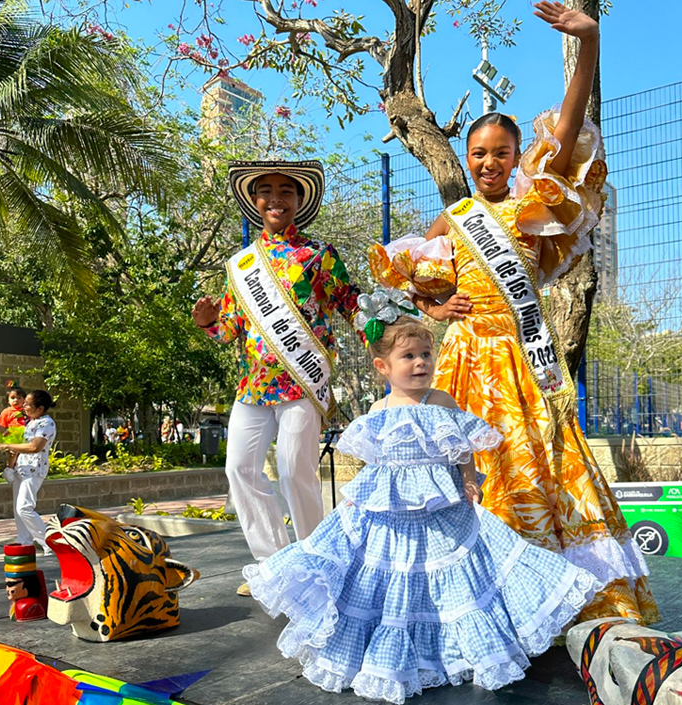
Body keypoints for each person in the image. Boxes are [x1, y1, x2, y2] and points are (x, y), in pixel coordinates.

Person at [385, 2, 657, 624]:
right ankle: (469, 601)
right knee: (463, 475)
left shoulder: (535, 203)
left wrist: (586, 45)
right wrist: (432, 302)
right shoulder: (452, 221)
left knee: (543, 467)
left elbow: (565, 129)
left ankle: (548, 597)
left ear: (515, 155)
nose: (486, 163)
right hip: (462, 364)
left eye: (500, 152)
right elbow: (413, 284)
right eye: (477, 153)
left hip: (525, 361)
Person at [243, 295, 602, 703]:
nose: (420, 363)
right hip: (392, 519)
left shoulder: (442, 402)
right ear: (383, 367)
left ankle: (455, 653)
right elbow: (373, 464)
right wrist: (359, 502)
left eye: (426, 354)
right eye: (409, 356)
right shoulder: (378, 410)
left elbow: (463, 449)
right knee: (391, 583)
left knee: (452, 582)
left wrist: (469, 481)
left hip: (442, 515)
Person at [192, 159, 361, 597]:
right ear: (254, 200)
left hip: (302, 383)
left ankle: (316, 562)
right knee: (240, 469)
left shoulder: (319, 254)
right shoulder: (241, 264)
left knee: (294, 470)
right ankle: (275, 565)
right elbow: (230, 330)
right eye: (265, 191)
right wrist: (210, 322)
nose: (275, 199)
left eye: (286, 191)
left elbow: (349, 303)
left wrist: (383, 330)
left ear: (299, 200)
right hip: (253, 386)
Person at [0, 389, 58, 556]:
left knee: (24, 507)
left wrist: (5, 446)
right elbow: (22, 445)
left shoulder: (46, 423)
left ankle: (50, 542)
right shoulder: (32, 422)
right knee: (18, 510)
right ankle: (25, 543)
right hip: (22, 468)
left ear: (40, 408)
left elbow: (35, 447)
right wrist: (11, 464)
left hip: (34, 469)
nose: (24, 406)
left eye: (27, 404)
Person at [0, 384, 27, 475]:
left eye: (19, 398)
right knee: (13, 452)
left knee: (23, 452)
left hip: (24, 433)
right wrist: (3, 431)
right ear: (8, 401)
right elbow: (0, 424)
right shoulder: (7, 411)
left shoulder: (26, 410)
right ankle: (10, 469)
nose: (16, 400)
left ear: (24, 399)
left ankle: (19, 468)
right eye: (13, 398)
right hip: (12, 434)